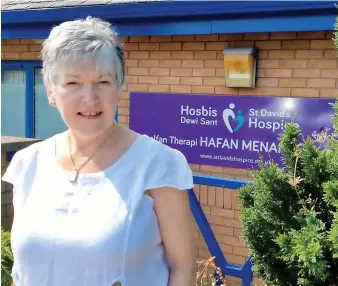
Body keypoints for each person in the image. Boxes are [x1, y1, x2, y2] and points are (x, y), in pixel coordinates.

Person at [2, 16, 196, 286]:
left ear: (119, 86)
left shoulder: (158, 165)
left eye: (103, 82)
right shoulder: (27, 165)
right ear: (50, 91)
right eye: (73, 83)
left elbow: (183, 266)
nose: (90, 98)